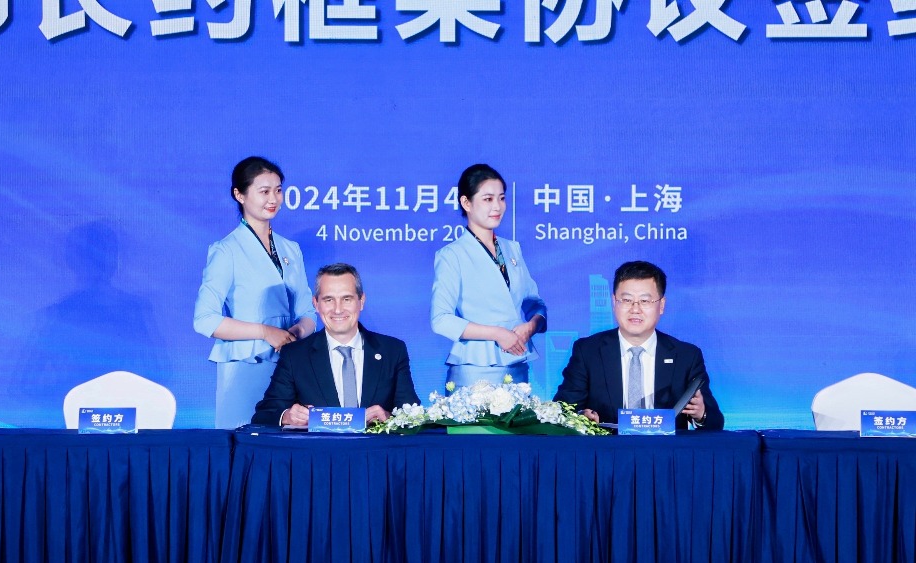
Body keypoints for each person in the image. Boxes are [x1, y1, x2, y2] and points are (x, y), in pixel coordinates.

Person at [194, 156, 316, 428]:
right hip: (246, 365)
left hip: (291, 365)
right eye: (264, 191)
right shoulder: (226, 251)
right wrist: (264, 332)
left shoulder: (291, 249)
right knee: (244, 447)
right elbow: (205, 319)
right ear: (239, 195)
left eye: (278, 190)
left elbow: (308, 312)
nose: (273, 198)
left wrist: (295, 334)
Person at [554, 260, 723, 430]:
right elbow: (561, 411)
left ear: (661, 305)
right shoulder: (588, 351)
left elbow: (716, 423)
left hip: (666, 453)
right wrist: (580, 418)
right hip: (608, 452)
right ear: (614, 302)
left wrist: (702, 414)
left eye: (645, 301)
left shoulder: (686, 356)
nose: (635, 309)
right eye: (626, 300)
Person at [252, 263, 420, 427]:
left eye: (346, 299)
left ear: (361, 301)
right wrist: (288, 416)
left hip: (375, 453)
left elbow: (415, 416)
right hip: (320, 454)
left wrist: (389, 417)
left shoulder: (392, 350)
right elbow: (265, 414)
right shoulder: (294, 355)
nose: (338, 309)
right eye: (329, 300)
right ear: (316, 304)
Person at [430, 163, 547, 387]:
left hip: (516, 362)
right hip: (474, 368)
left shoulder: (512, 249)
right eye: (488, 199)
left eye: (501, 198)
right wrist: (497, 333)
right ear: (466, 203)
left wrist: (531, 326)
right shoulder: (452, 255)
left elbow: (535, 303)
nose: (498, 207)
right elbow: (440, 320)